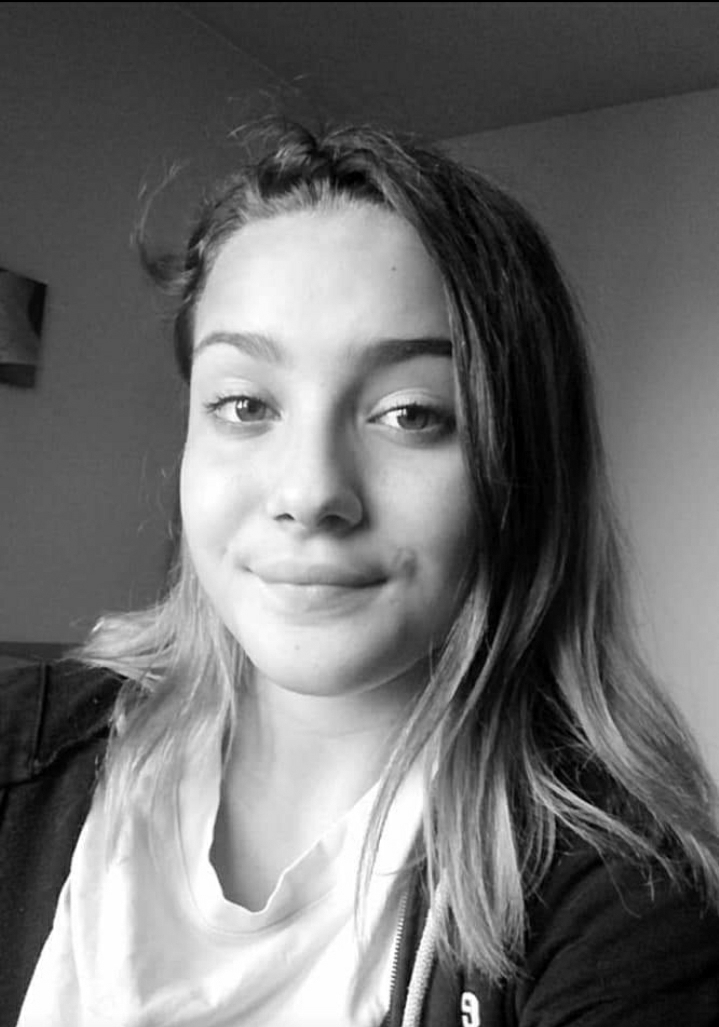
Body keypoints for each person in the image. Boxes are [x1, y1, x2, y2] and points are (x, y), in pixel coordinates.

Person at [2, 119, 719, 1027]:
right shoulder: (20, 744)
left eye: (410, 413)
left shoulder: (625, 906)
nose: (309, 492)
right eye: (244, 403)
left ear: (523, 468)